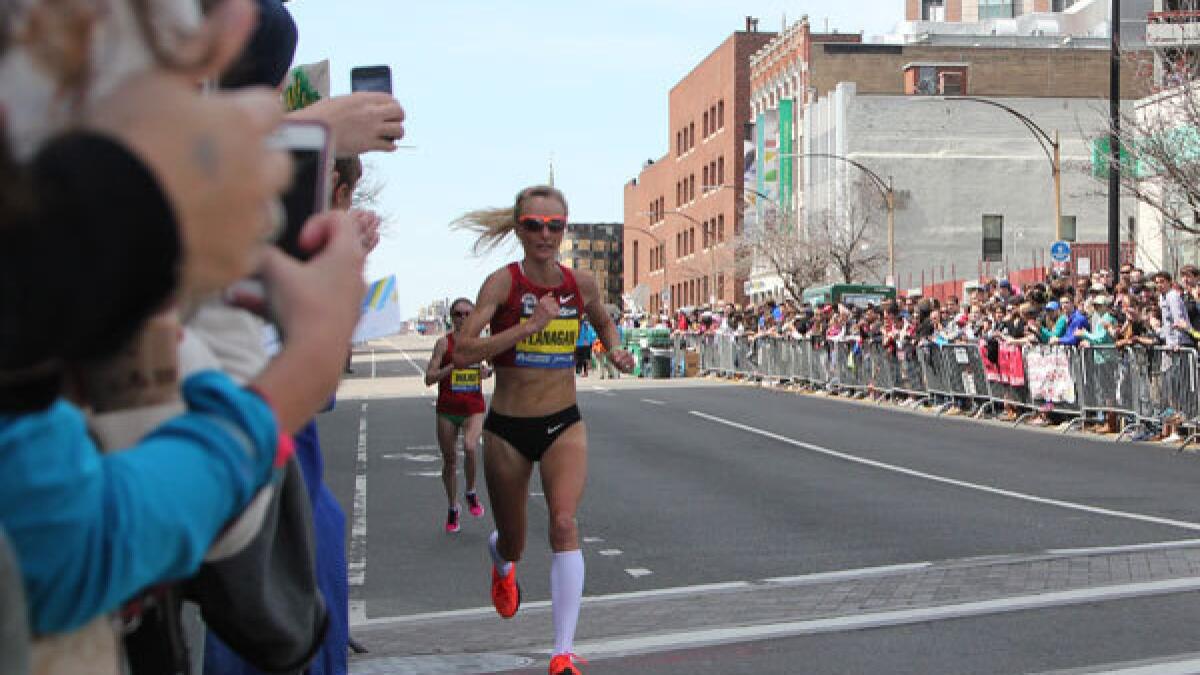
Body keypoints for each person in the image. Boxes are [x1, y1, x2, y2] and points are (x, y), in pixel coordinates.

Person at [451, 185, 635, 675]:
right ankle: (501, 558)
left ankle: (561, 653)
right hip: (508, 429)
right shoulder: (502, 285)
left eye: (555, 226)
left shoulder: (581, 284)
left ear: (565, 229)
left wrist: (615, 349)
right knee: (515, 541)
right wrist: (527, 330)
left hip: (562, 423)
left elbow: (603, 320)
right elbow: (464, 353)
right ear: (519, 230)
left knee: (564, 524)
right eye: (534, 225)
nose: (545, 235)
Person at [424, 298, 490, 533]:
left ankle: (471, 491)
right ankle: (453, 507)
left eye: (467, 314)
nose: (462, 319)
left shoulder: (480, 343)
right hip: (448, 409)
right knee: (450, 460)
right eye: (457, 314)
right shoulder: (443, 344)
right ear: (451, 318)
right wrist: (452, 366)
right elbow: (429, 378)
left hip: (473, 407)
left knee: (471, 447)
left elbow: (493, 367)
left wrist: (486, 371)